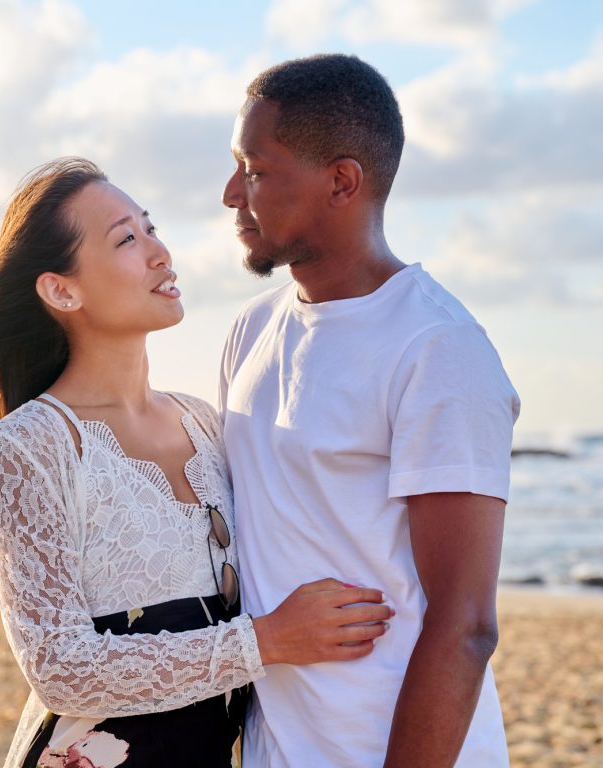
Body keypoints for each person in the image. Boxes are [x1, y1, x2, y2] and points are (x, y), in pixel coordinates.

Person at [0, 157, 394, 768]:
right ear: (62, 290)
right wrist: (268, 640)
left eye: (151, 228)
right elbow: (60, 669)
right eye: (127, 239)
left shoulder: (205, 422)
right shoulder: (33, 444)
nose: (159, 253)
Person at [220, 54, 521, 767]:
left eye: (255, 171)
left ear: (342, 182)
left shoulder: (438, 347)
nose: (232, 194)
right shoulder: (251, 331)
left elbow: (466, 625)